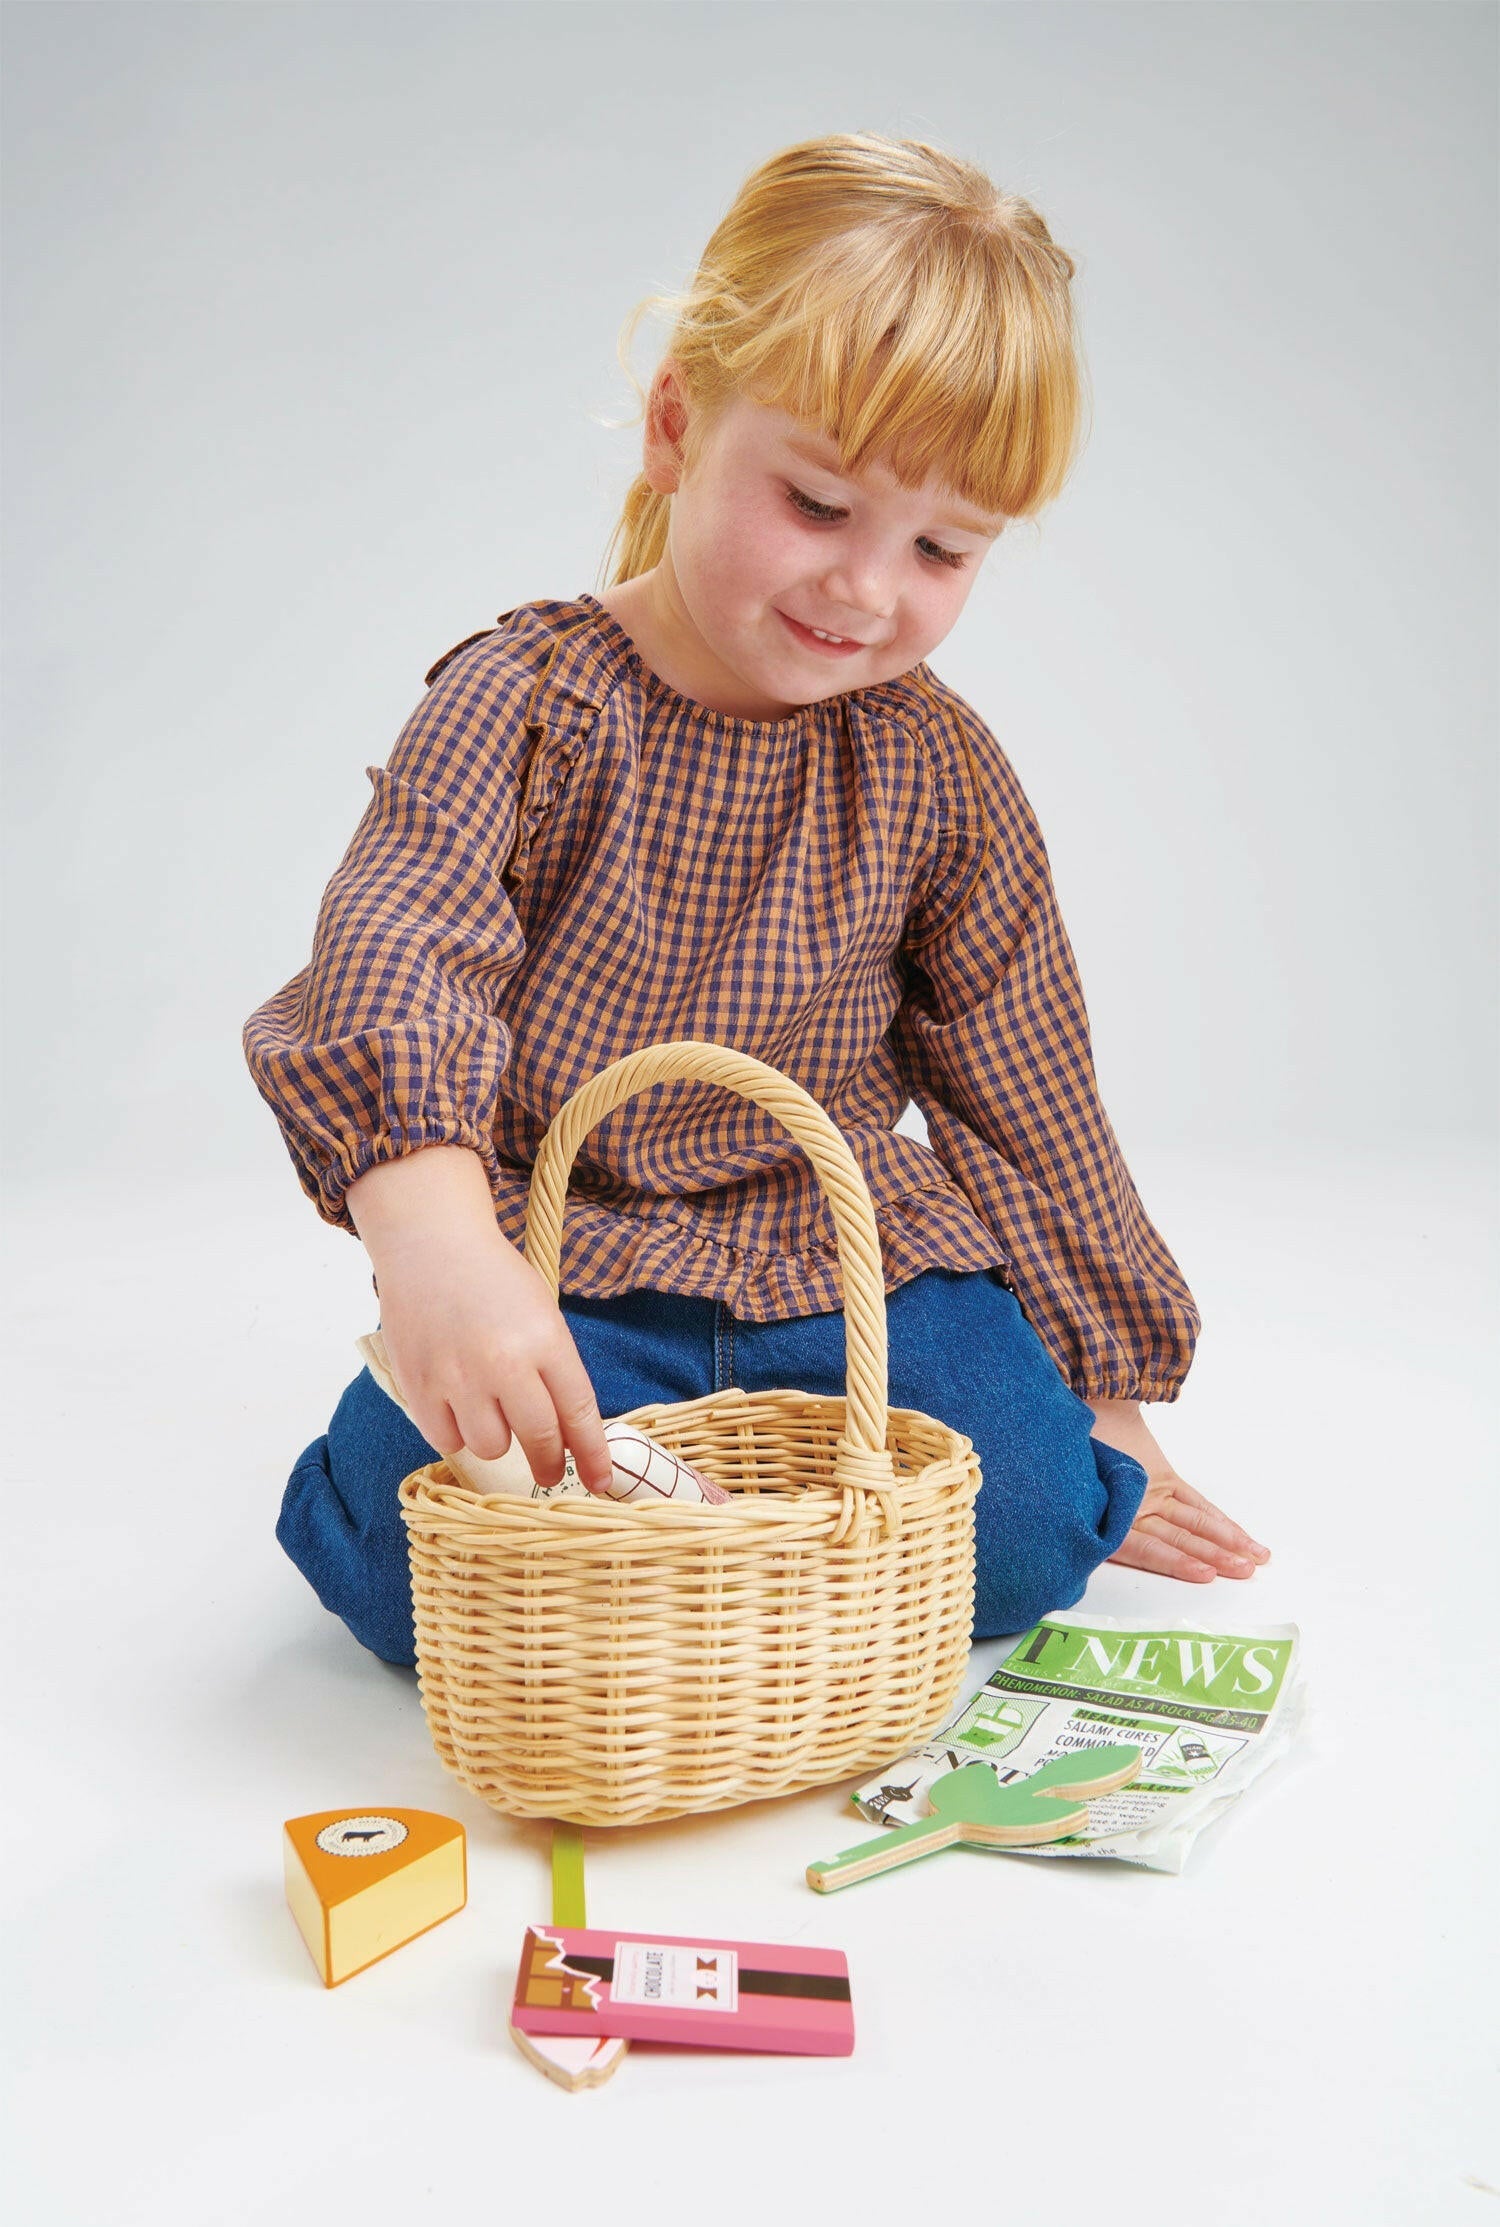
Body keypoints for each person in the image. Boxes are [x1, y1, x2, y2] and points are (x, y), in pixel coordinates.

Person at [242, 132, 1269, 1670]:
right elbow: (400, 950)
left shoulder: (935, 769)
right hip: (560, 1262)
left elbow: (1024, 1082)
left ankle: (682, 1569)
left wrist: (1108, 1412)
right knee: (406, 1568)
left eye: (941, 548)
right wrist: (439, 1248)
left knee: (1042, 1522)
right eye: (815, 503)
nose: (865, 588)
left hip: (844, 1259)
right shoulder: (526, 703)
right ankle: (679, 1539)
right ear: (675, 429)